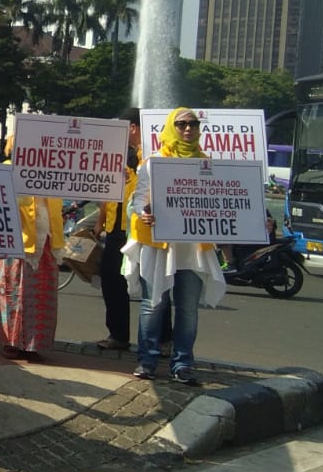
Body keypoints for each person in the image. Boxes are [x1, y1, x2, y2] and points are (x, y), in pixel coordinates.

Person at [121, 107, 226, 385]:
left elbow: (219, 202)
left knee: (188, 308)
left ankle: (182, 364)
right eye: (181, 124)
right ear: (171, 127)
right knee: (153, 304)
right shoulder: (153, 163)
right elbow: (135, 202)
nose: (188, 129)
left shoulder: (207, 164)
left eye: (193, 123)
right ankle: (147, 360)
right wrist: (144, 213)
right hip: (159, 245)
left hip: (192, 248)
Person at [0, 137, 65, 362]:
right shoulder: (7, 169)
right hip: (16, 240)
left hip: (46, 239)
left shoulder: (52, 171)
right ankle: (11, 342)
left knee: (40, 293)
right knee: (13, 291)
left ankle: (35, 344)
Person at [96, 108, 142, 351]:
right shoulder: (117, 153)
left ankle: (163, 340)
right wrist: (100, 221)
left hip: (139, 228)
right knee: (112, 281)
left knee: (150, 285)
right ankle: (118, 335)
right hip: (116, 228)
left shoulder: (145, 155)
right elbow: (106, 189)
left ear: (132, 127)